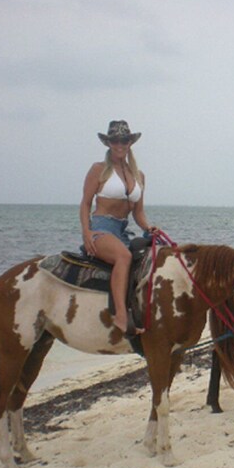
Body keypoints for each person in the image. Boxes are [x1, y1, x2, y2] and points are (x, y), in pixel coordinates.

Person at [80, 120, 159, 337]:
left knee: (157, 255)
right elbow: (86, 203)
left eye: (124, 140)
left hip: (123, 230)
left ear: (129, 143)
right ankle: (121, 317)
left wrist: (149, 227)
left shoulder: (138, 175)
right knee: (123, 257)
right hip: (101, 228)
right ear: (109, 143)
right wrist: (87, 232)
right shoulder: (98, 169)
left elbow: (138, 213)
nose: (119, 144)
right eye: (115, 140)